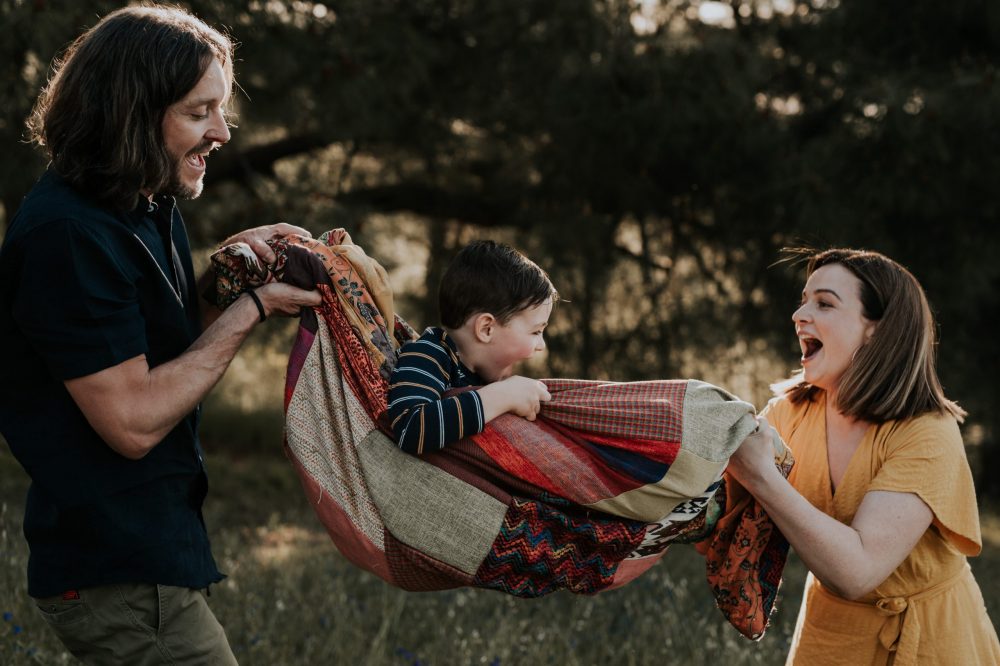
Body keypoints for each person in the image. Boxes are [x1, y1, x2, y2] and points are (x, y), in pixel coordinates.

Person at [0, 5, 321, 663]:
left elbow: (167, 348)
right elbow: (133, 420)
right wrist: (252, 309)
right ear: (134, 113)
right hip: (113, 572)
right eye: (200, 112)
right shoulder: (68, 236)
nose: (223, 133)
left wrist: (225, 278)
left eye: (221, 110)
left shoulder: (147, 201)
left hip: (152, 554)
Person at [730, 248, 1000, 665]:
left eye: (824, 303)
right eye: (804, 300)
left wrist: (762, 477)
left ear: (877, 329)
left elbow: (857, 571)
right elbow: (714, 504)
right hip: (830, 639)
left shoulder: (926, 431)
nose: (799, 314)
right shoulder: (789, 414)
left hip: (933, 643)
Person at [387, 240, 556, 454]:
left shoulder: (483, 378)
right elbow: (410, 429)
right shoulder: (428, 355)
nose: (541, 346)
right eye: (536, 332)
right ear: (486, 329)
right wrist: (503, 395)